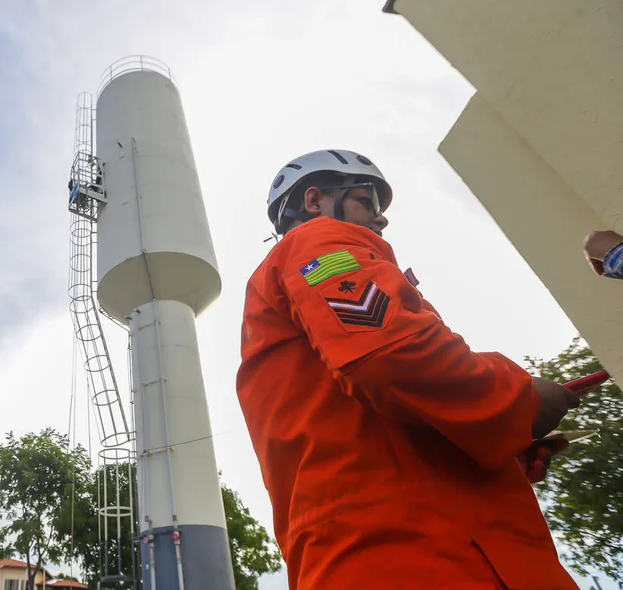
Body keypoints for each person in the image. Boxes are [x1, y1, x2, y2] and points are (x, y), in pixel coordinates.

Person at [236, 149, 582, 589]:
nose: (382, 220)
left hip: (422, 545)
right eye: (369, 202)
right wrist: (519, 399)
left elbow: (371, 415)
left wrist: (503, 441)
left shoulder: (282, 294)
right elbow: (387, 357)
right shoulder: (319, 243)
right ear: (314, 201)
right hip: (416, 552)